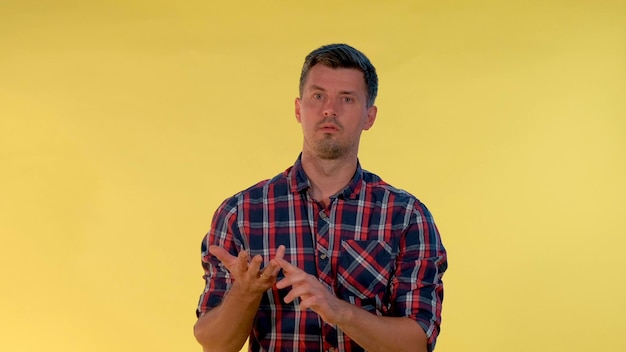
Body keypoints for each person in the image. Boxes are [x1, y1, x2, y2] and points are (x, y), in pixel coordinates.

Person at [194, 43, 447, 352]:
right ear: (299, 109)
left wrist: (338, 310)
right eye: (318, 96)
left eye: (347, 99)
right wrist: (246, 292)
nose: (330, 109)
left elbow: (416, 345)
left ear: (370, 116)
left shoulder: (407, 216)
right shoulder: (241, 213)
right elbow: (215, 345)